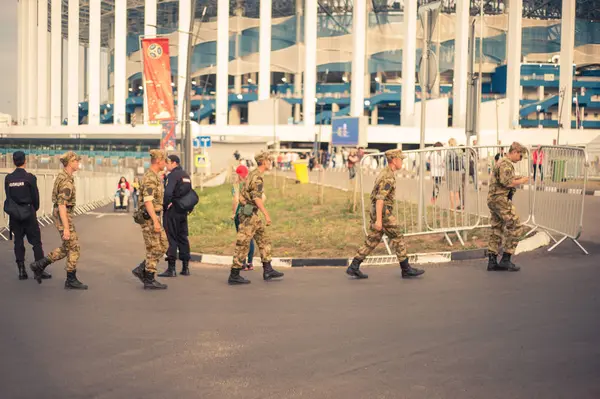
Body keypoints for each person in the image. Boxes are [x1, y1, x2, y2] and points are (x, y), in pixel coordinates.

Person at [346, 149, 425, 280]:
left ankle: (354, 266)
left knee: (373, 240)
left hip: (380, 212)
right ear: (394, 160)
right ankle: (406, 269)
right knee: (398, 236)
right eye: (401, 159)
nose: (402, 162)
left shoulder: (386, 172)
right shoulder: (387, 176)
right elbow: (380, 199)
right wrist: (378, 220)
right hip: (383, 213)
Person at [30, 151, 87, 289]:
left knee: (67, 247)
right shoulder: (66, 181)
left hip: (61, 214)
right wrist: (66, 228)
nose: (78, 163)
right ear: (69, 163)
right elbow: (62, 205)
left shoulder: (64, 176)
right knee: (74, 247)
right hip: (63, 215)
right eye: (75, 161)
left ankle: (40, 264)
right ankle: (70, 279)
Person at [228, 151, 284, 285]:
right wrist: (266, 214)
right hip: (249, 216)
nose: (270, 163)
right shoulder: (257, 177)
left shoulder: (251, 174)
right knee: (243, 244)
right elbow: (257, 198)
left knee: (264, 240)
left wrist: (245, 203)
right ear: (264, 162)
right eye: (269, 161)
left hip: (251, 214)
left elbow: (242, 195)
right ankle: (234, 274)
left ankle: (268, 269)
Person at [3, 151, 50, 280]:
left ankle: (22, 271)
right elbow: (35, 197)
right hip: (28, 213)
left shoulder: (8, 178)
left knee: (18, 241)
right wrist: (34, 209)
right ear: (25, 161)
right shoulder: (30, 177)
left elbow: (8, 196)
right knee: (36, 243)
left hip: (15, 215)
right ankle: (39, 270)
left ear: (14, 161)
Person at [487, 142, 529, 272]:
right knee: (515, 225)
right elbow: (507, 182)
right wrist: (521, 181)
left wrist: (517, 177)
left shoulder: (502, 162)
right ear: (515, 152)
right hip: (500, 199)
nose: (520, 159)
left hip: (494, 199)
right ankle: (506, 258)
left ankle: (492, 261)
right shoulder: (505, 163)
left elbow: (505, 178)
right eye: (520, 156)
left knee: (497, 228)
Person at [131, 150, 169, 289]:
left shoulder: (154, 176)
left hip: (155, 216)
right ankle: (149, 278)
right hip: (150, 218)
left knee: (163, 245)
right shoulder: (150, 178)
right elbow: (148, 201)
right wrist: (155, 221)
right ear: (159, 161)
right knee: (154, 247)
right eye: (164, 160)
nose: (165, 163)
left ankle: (143, 269)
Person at [158, 155, 192, 277]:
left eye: (168, 163)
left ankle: (171, 269)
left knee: (171, 238)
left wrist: (165, 205)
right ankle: (185, 267)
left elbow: (167, 193)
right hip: (183, 211)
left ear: (174, 163)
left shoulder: (172, 176)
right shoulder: (186, 175)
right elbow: (190, 193)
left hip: (172, 212)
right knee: (183, 237)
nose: (166, 165)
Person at [232, 164, 255, 271]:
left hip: (240, 214)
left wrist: (233, 213)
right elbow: (262, 197)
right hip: (250, 213)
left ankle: (243, 263)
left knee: (242, 239)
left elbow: (236, 200)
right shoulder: (252, 183)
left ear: (239, 174)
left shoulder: (237, 186)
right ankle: (250, 263)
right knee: (249, 238)